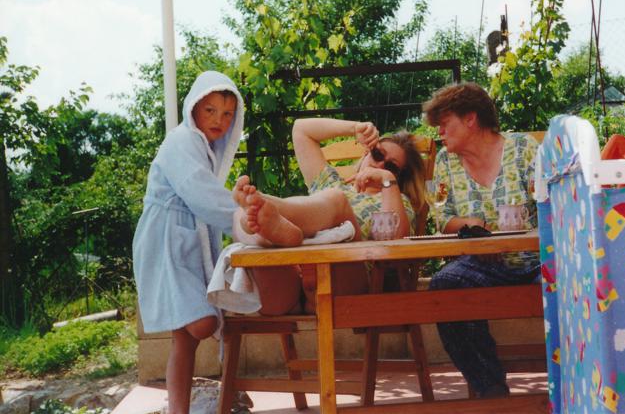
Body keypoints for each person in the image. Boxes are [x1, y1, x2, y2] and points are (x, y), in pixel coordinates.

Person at [132, 71, 244, 414]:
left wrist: (238, 208)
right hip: (166, 239)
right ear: (192, 108)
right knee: (202, 323)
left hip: (188, 239)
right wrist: (244, 222)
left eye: (227, 114)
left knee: (184, 340)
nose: (219, 120)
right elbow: (202, 194)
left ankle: (177, 410)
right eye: (210, 110)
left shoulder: (205, 148)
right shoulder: (181, 140)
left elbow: (207, 197)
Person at [233, 118, 426, 315]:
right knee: (243, 215)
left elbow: (390, 244)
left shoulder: (394, 200)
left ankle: (271, 208)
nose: (380, 165)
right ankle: (267, 231)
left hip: (343, 290)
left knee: (337, 200)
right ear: (366, 153)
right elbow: (301, 130)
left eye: (391, 167)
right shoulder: (332, 183)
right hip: (286, 290)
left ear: (399, 178)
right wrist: (354, 128)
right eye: (378, 154)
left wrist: (387, 181)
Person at [422, 81, 539, 399]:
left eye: (444, 124)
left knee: (570, 280)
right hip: (481, 264)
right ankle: (491, 391)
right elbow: (442, 218)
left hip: (537, 260)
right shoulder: (445, 161)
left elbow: (553, 204)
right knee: (444, 286)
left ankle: (574, 381)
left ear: (470, 118)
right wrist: (472, 226)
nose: (439, 133)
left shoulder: (523, 148)